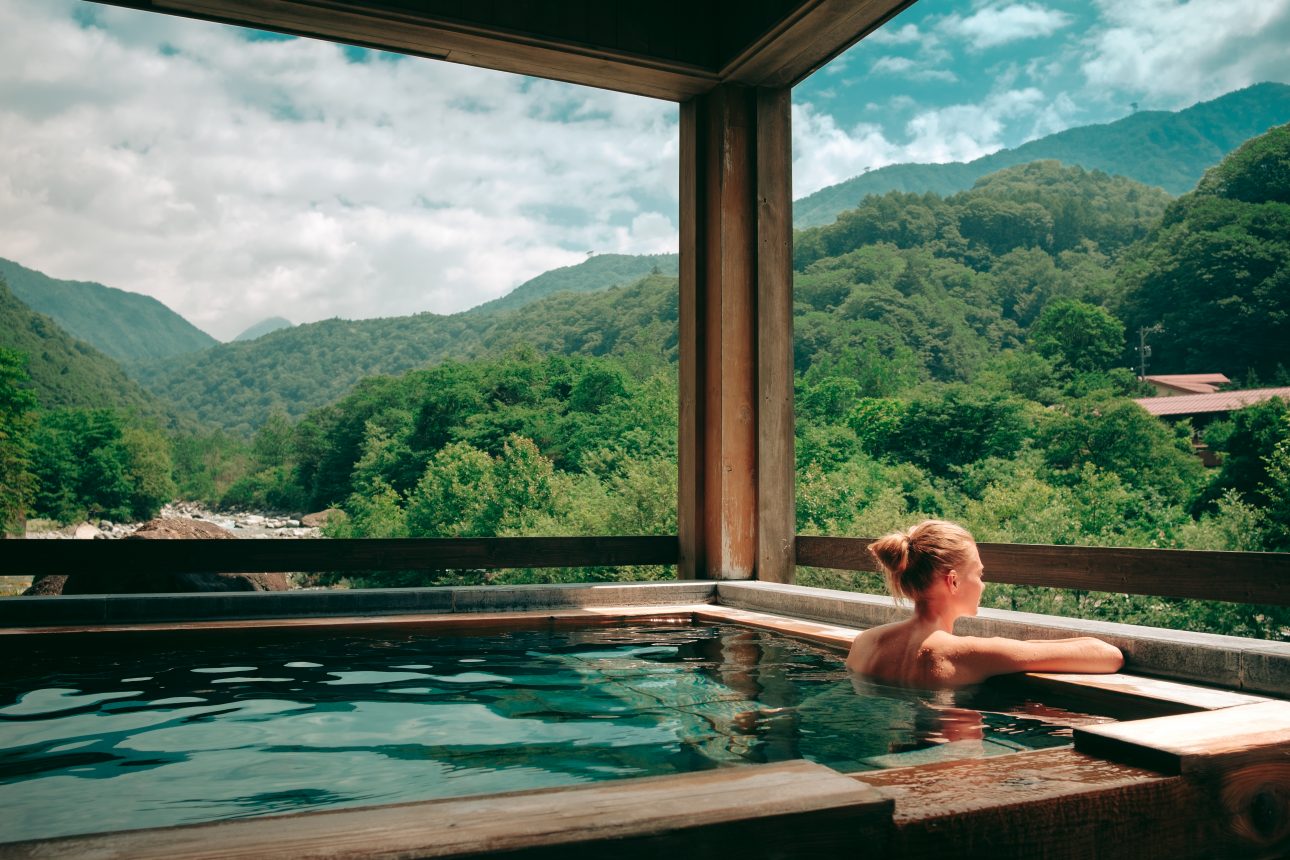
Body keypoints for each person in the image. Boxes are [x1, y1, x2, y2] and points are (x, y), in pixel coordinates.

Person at [846, 520, 1124, 688]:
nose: (982, 584)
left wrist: (1018, 648)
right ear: (953, 582)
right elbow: (1107, 655)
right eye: (978, 574)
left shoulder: (864, 644)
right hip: (953, 773)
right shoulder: (961, 652)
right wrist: (1011, 647)